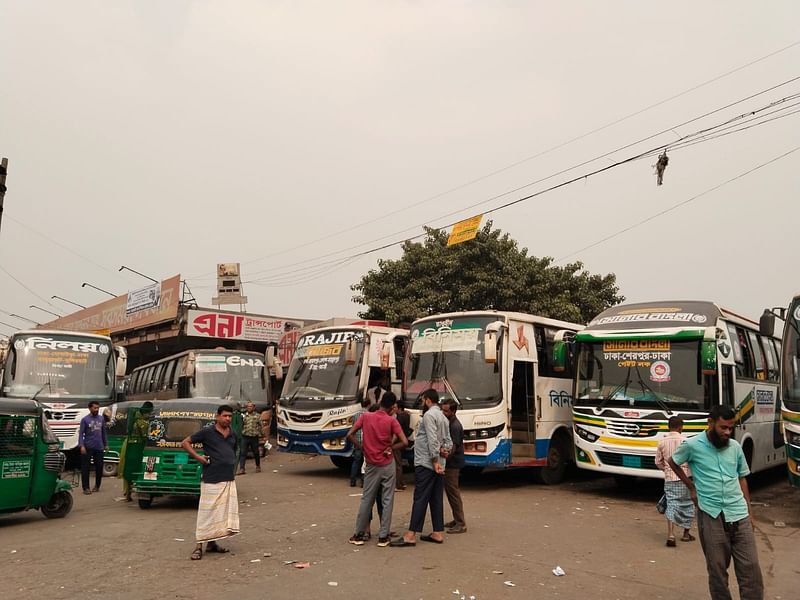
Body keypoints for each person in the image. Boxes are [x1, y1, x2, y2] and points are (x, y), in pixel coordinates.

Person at [668, 405, 763, 600]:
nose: (727, 432)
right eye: (723, 428)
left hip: (739, 514)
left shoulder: (735, 447)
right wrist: (691, 487)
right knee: (717, 571)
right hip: (711, 515)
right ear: (710, 423)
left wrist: (750, 513)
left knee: (751, 569)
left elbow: (742, 478)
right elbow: (673, 462)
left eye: (731, 428)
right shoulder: (692, 445)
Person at [391, 388, 452, 547]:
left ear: (428, 400)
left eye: (424, 400)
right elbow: (447, 442)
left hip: (427, 463)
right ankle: (437, 532)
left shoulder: (429, 416)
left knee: (420, 498)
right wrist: (443, 454)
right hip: (439, 464)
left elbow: (432, 440)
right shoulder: (444, 417)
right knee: (435, 498)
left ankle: (411, 535)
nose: (423, 403)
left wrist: (434, 461)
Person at [346, 392, 408, 547]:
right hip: (387, 464)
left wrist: (363, 448)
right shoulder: (391, 421)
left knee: (367, 499)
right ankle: (383, 536)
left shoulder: (366, 417)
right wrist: (391, 447)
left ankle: (359, 534)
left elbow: (350, 434)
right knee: (387, 500)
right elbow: (405, 441)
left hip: (371, 464)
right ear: (393, 406)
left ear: (380, 401)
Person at [182, 405, 240, 561]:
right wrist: (199, 458)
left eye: (230, 416)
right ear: (217, 416)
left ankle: (212, 544)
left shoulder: (233, 433)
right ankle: (198, 546)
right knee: (206, 513)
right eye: (225, 416)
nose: (228, 418)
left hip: (227, 478)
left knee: (220, 513)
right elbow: (185, 442)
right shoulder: (207, 432)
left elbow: (233, 451)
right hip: (211, 478)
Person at [655, 416, 695, 546]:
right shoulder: (686, 442)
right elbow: (692, 461)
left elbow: (658, 462)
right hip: (686, 478)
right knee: (688, 504)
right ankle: (685, 533)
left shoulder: (662, 442)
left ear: (668, 426)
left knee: (672, 503)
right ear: (681, 427)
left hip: (670, 479)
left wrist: (666, 470)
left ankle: (671, 535)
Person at [441, 399, 467, 534]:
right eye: (443, 410)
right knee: (451, 493)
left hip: (453, 464)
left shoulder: (455, 426)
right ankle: (456, 519)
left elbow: (453, 447)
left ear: (453, 411)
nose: (443, 413)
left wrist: (443, 459)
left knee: (453, 493)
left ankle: (461, 523)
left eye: (446, 411)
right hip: (451, 463)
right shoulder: (449, 423)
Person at [121, 402, 153, 502]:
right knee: (139, 469)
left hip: (130, 447)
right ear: (145, 413)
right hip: (137, 448)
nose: (150, 415)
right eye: (149, 413)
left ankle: (128, 494)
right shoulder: (142, 423)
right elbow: (146, 437)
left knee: (128, 471)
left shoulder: (135, 420)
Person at [79, 401, 108, 495]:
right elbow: (81, 434)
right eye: (95, 408)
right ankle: (86, 488)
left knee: (99, 467)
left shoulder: (101, 419)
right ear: (90, 408)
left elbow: (104, 432)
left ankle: (97, 486)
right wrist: (82, 446)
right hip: (88, 447)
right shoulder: (85, 420)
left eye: (98, 408)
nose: (97, 409)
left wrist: (106, 444)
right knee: (85, 468)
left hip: (99, 447)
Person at [350, 398, 371, 487]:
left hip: (357, 441)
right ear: (369, 405)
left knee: (356, 461)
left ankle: (353, 480)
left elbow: (353, 428)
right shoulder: (370, 415)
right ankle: (363, 481)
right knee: (365, 462)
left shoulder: (355, 415)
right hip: (366, 441)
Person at [237, 402, 263, 475]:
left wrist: (263, 436)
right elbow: (240, 425)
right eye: (248, 406)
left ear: (254, 407)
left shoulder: (257, 416)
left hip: (254, 437)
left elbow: (261, 426)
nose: (249, 408)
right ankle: (242, 469)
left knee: (256, 452)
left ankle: (258, 466)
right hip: (245, 437)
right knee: (243, 453)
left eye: (250, 406)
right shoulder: (244, 416)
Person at [394, 402, 413, 491]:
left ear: (400, 408)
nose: (394, 409)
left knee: (397, 464)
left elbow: (396, 432)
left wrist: (391, 442)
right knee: (399, 462)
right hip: (404, 441)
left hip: (398, 442)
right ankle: (401, 482)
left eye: (395, 407)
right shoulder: (407, 415)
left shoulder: (400, 417)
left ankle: (398, 484)